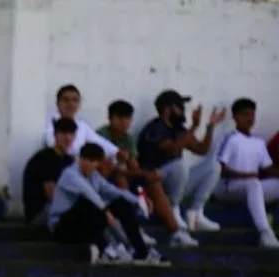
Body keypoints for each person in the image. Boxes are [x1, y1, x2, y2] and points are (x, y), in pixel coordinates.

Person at [137, 89, 226, 245]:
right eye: (179, 106)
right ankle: (173, 209)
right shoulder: (155, 128)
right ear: (167, 109)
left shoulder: (179, 130)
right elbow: (172, 148)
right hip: (156, 185)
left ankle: (195, 213)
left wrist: (209, 127)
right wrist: (193, 127)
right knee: (179, 165)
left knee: (213, 165)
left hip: (176, 185)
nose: (183, 110)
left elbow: (202, 150)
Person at [49, 143, 162, 265]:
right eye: (86, 160)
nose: (89, 164)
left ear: (98, 163)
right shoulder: (70, 174)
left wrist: (139, 201)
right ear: (80, 159)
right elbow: (88, 193)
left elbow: (113, 190)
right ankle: (104, 249)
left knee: (121, 203)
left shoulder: (94, 176)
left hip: (84, 225)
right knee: (87, 202)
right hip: (62, 226)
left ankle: (141, 251)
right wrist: (106, 212)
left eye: (93, 161)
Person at [96, 99, 178, 247]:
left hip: (123, 177)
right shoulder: (100, 136)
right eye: (119, 118)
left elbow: (134, 167)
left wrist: (149, 175)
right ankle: (133, 228)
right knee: (121, 178)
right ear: (110, 118)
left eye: (127, 118)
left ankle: (175, 232)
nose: (124, 122)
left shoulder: (128, 138)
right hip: (104, 181)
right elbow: (105, 169)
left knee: (154, 182)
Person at [213, 98, 279, 248]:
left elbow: (268, 169)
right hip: (227, 189)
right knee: (254, 184)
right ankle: (265, 233)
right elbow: (219, 169)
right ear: (235, 117)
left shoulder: (258, 142)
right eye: (245, 115)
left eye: (252, 115)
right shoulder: (230, 138)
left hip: (250, 189)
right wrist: (246, 176)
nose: (250, 119)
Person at [22, 117, 76, 226]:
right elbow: (52, 195)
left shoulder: (70, 160)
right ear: (55, 135)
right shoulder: (44, 158)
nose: (68, 138)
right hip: (41, 213)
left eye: (71, 134)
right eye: (63, 133)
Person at [44, 85, 120, 159]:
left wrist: (118, 152)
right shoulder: (49, 123)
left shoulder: (81, 126)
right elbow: (57, 147)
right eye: (66, 100)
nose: (71, 104)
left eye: (75, 100)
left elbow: (99, 142)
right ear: (57, 103)